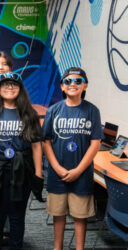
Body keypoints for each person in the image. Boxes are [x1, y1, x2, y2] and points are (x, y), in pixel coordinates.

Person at [0, 72, 44, 249]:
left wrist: (37, 174)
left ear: (20, 89)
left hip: (21, 170)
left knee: (16, 215)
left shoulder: (29, 114)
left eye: (14, 84)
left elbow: (36, 145)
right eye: (5, 84)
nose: (10, 87)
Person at [42, 67, 102, 250]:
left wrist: (78, 170)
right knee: (58, 214)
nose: (72, 84)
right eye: (68, 81)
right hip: (57, 174)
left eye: (77, 81)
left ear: (85, 86)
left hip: (81, 174)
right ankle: (57, 247)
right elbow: (46, 142)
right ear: (62, 86)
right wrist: (57, 168)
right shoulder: (53, 111)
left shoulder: (92, 111)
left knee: (79, 215)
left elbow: (95, 143)